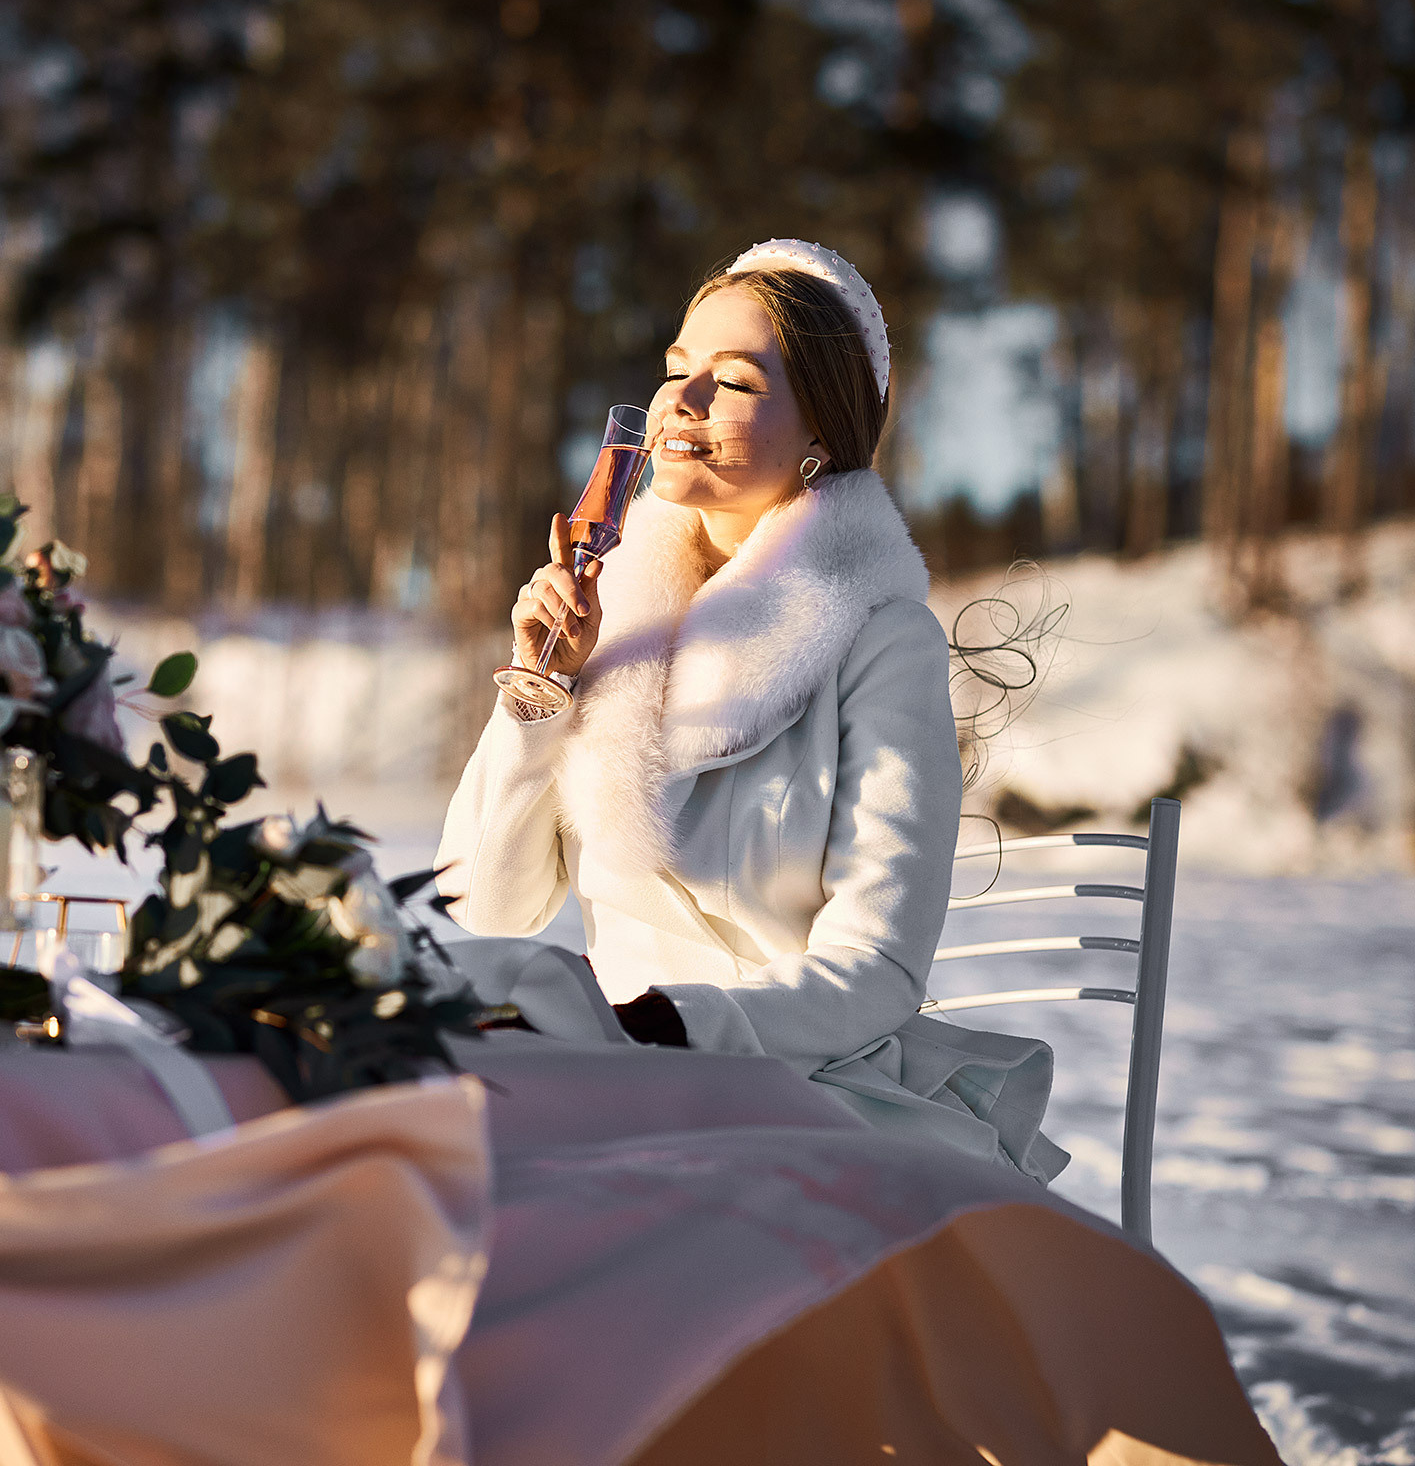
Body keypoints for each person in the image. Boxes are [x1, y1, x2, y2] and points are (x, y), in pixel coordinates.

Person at [437, 239, 1065, 1180]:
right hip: (618, 1085)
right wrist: (542, 691)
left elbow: (878, 973)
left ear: (822, 432)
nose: (680, 405)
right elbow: (483, 906)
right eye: (674, 372)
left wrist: (670, 1031)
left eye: (730, 383)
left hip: (801, 1099)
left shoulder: (883, 643)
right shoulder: (613, 622)